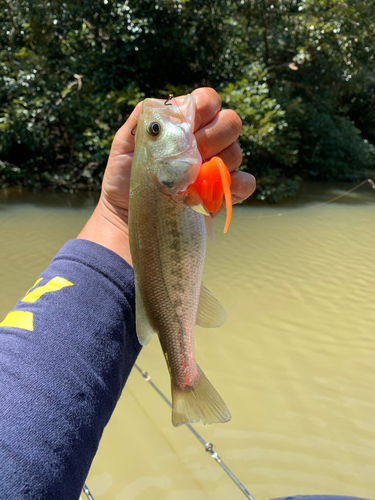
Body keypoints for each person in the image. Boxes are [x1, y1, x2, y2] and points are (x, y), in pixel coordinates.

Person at [0, 88, 256, 500]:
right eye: (155, 130)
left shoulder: (170, 182)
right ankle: (185, 378)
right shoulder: (165, 181)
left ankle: (185, 377)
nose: (159, 124)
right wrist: (120, 214)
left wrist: (114, 216)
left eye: (152, 131)